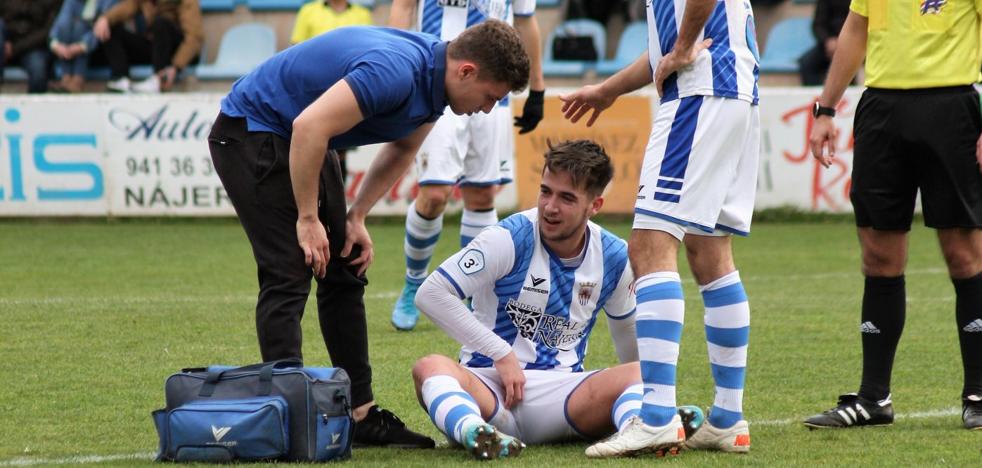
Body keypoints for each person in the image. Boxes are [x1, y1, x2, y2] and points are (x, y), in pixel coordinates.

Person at [208, 20, 531, 447]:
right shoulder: (395, 71)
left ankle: (360, 415)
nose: (488, 109)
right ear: (466, 71)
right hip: (253, 130)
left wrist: (357, 215)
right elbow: (309, 127)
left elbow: (402, 148)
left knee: (343, 265)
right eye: (491, 97)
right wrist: (307, 220)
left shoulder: (439, 86)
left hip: (303, 138)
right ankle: (287, 418)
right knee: (289, 269)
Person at [411, 139, 703, 459]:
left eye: (566, 198)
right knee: (429, 366)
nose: (550, 206)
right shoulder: (508, 237)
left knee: (639, 370)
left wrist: (645, 393)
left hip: (564, 397)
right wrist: (501, 354)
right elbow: (431, 293)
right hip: (488, 388)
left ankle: (641, 423)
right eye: (545, 191)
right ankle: (473, 431)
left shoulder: (614, 257)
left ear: (595, 206)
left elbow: (629, 349)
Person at [559, 0, 760, 457]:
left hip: (699, 92)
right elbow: (664, 50)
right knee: (711, 255)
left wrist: (685, 46)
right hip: (734, 93)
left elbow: (679, 48)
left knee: (650, 246)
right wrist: (609, 90)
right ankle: (728, 420)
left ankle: (655, 417)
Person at [804, 0, 982, 430]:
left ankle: (978, 393)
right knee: (878, 255)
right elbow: (854, 29)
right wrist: (826, 109)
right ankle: (873, 398)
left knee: (965, 254)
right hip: (881, 109)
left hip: (953, 106)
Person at [387, 0, 546, 331]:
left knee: (483, 196)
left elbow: (526, 20)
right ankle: (414, 282)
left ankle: (475, 290)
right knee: (434, 195)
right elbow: (403, 6)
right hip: (438, 83)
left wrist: (537, 88)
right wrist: (399, 69)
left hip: (493, 91)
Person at [289, 0, 374, 185]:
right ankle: (309, 202)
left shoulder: (362, 14)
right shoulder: (308, 11)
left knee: (340, 147)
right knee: (311, 141)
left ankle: (335, 203)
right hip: (314, 86)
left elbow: (369, 51)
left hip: (349, 87)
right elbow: (297, 50)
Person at [94, 0, 202, 93]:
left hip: (179, 53)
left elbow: (194, 38)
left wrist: (176, 66)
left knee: (161, 24)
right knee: (110, 29)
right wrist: (105, 19)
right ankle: (120, 78)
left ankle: (159, 79)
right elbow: (126, 8)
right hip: (157, 49)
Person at [48, 0, 120, 93]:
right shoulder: (71, 2)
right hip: (71, 48)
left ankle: (77, 79)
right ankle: (67, 78)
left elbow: (101, 31)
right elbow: (60, 24)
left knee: (80, 27)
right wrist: (56, 45)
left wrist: (82, 46)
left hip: (100, 49)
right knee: (66, 26)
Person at [0, 0, 62, 94]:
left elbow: (48, 31)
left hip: (34, 46)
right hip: (5, 43)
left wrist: (15, 48)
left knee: (38, 72)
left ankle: (36, 108)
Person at [798, 0, 850, 86]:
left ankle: (849, 96)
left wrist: (842, 42)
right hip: (826, 46)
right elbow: (817, 25)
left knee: (850, 63)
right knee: (806, 63)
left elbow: (857, 29)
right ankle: (816, 96)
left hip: (850, 46)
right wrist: (827, 41)